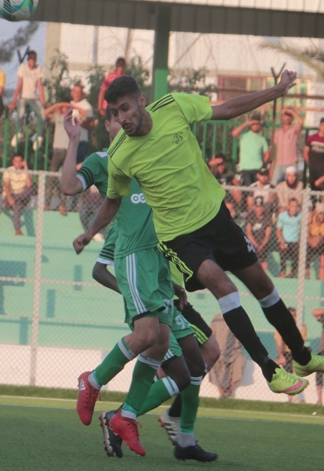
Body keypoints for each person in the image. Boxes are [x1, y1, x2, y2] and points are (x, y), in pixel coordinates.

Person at [75, 74, 324, 402]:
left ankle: (302, 358)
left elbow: (227, 109)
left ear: (141, 101)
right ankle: (270, 370)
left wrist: (276, 91)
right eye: (115, 113)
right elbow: (112, 200)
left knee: (263, 286)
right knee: (225, 288)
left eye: (125, 108)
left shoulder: (174, 106)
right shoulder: (121, 153)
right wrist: (89, 232)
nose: (122, 118)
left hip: (217, 218)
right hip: (179, 236)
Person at [62, 109, 215, 461]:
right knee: (150, 337)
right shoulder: (104, 160)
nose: (124, 123)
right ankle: (93, 382)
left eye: (129, 115)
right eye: (117, 117)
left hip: (158, 263)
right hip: (134, 255)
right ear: (107, 125)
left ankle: (127, 415)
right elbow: (70, 187)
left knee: (163, 348)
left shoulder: (147, 154)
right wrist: (73, 141)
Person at [8, 50, 46, 145]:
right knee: (21, 112)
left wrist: (42, 101)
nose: (32, 60)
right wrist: (14, 101)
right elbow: (19, 84)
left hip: (33, 97)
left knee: (43, 113)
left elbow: (40, 85)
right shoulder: (23, 67)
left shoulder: (38, 68)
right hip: (22, 97)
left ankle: (39, 137)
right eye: (31, 58)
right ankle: (19, 133)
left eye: (34, 59)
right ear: (28, 59)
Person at [43, 100, 73, 214]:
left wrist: (71, 105)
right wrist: (56, 105)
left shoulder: (72, 119)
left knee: (65, 178)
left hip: (67, 151)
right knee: (51, 177)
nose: (64, 108)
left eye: (66, 107)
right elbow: (45, 112)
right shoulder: (58, 117)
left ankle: (62, 205)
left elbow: (84, 113)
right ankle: (47, 203)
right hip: (57, 151)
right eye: (63, 107)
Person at [209, 313, 246, 399]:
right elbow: (211, 334)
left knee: (240, 362)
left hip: (234, 352)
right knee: (214, 365)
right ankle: (221, 392)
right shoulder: (217, 318)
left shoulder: (238, 318)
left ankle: (230, 390)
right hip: (219, 351)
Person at [274, 307, 307, 402]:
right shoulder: (281, 325)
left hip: (297, 351)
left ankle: (295, 396)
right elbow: (279, 344)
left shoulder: (302, 326)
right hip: (286, 352)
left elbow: (300, 342)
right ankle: (292, 397)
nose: (292, 317)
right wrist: (281, 356)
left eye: (294, 315)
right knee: (288, 368)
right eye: (290, 315)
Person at [232, 114, 270, 186]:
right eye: (253, 123)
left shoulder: (262, 139)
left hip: (258, 168)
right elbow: (234, 133)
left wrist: (262, 164)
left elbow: (267, 154)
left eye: (257, 124)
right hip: (246, 168)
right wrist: (246, 123)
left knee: (257, 189)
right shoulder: (244, 136)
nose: (255, 125)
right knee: (249, 190)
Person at [2, 153, 33, 236]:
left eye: (20, 161)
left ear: (23, 162)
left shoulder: (26, 171)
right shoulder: (8, 170)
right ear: (13, 162)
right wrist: (10, 198)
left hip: (22, 197)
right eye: (16, 161)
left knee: (29, 190)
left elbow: (29, 185)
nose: (18, 163)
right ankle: (17, 230)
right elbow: (6, 186)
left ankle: (17, 229)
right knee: (17, 204)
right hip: (9, 196)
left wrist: (26, 167)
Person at [303, 117, 324, 190]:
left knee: (321, 188)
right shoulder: (311, 138)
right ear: (319, 126)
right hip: (312, 167)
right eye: (322, 125)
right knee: (313, 187)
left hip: (322, 169)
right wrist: (309, 162)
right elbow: (305, 152)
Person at [271, 108, 303, 184]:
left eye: (290, 116)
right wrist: (273, 164)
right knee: (274, 185)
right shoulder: (278, 131)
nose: (288, 118)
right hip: (279, 163)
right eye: (286, 115)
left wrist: (291, 111)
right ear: (282, 117)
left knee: (291, 186)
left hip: (291, 163)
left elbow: (301, 122)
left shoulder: (294, 129)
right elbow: (276, 148)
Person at [276, 198, 302, 278]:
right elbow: (278, 231)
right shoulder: (282, 216)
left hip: (295, 242)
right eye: (292, 206)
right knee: (283, 250)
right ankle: (282, 272)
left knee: (298, 252)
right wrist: (282, 242)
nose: (294, 208)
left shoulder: (301, 216)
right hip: (284, 241)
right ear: (288, 206)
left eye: (296, 206)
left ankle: (291, 272)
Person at [245, 197, 273, 266]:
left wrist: (261, 245)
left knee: (264, 264)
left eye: (261, 207)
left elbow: (267, 235)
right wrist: (256, 245)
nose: (259, 209)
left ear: (263, 207)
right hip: (252, 243)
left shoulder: (268, 217)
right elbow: (248, 233)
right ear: (254, 207)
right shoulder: (251, 216)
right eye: (257, 207)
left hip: (263, 244)